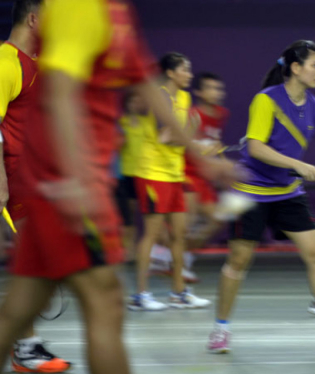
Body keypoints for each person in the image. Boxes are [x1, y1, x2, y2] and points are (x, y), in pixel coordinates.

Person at [0, 2, 238, 374]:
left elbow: (146, 84)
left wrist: (198, 157)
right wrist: (74, 179)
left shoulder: (115, 11)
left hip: (72, 178)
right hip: (64, 181)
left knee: (20, 307)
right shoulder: (73, 8)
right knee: (106, 300)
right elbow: (60, 94)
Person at [207, 40, 315, 354]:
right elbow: (256, 147)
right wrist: (298, 165)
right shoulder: (266, 101)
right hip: (250, 193)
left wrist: (298, 170)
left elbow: (290, 150)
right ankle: (220, 329)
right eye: (314, 65)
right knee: (238, 260)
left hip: (287, 192)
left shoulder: (313, 104)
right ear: (295, 68)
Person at [0, 1, 70, 372]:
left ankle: (25, 344)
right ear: (32, 19)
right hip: (14, 179)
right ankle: (25, 347)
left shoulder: (39, 64)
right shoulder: (6, 62)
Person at [129, 52, 212, 311]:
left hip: (175, 173)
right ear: (170, 73)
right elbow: (166, 137)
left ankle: (178, 292)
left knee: (179, 234)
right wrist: (196, 142)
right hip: (153, 173)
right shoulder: (160, 97)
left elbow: (180, 136)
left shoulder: (185, 97)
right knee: (152, 235)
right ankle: (141, 295)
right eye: (185, 70)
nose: (189, 74)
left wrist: (194, 141)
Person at [183, 72, 229, 260]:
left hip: (204, 178)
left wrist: (223, 161)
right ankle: (173, 259)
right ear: (199, 92)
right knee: (185, 224)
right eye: (210, 88)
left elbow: (215, 143)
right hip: (187, 174)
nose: (216, 92)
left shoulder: (221, 114)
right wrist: (203, 150)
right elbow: (186, 144)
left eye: (218, 88)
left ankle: (182, 255)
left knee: (218, 219)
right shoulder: (192, 114)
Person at [115, 92, 149, 263]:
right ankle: (128, 249)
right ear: (126, 103)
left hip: (143, 172)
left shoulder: (146, 123)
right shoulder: (122, 123)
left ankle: (139, 249)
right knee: (128, 214)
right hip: (126, 173)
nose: (135, 104)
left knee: (143, 213)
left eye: (138, 100)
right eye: (132, 101)